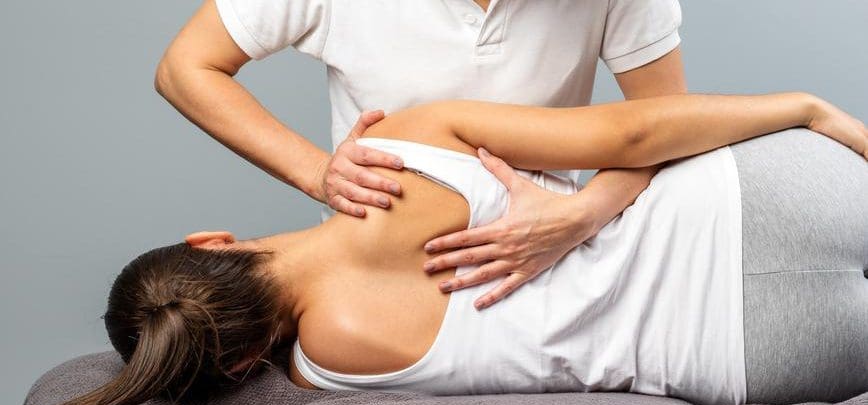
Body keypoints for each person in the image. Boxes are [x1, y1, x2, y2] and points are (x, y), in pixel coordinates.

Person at [23, 92, 868, 405]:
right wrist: (809, 109)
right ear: (211, 239)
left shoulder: (329, 371)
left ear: (244, 362)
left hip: (758, 350)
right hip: (759, 199)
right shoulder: (406, 144)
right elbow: (635, 136)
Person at [155, 0, 688, 307]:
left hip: (544, 266)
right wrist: (316, 172)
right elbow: (185, 68)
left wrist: (581, 216)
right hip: (380, 277)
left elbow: (668, 126)